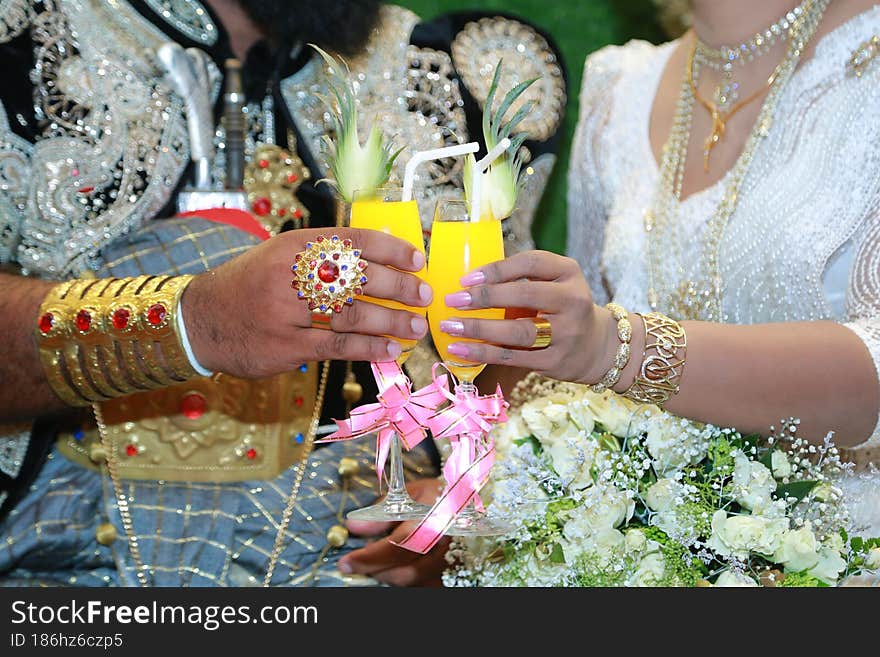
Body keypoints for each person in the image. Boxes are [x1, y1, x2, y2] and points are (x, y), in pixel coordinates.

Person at [0, 0, 566, 586]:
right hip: (60, 576)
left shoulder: (453, 77)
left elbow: (505, 342)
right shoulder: (23, 38)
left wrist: (477, 484)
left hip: (360, 569)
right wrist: (194, 326)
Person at [438, 0, 880, 542]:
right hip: (638, 545)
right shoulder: (623, 85)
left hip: (844, 551)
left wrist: (616, 348)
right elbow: (569, 352)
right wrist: (469, 486)